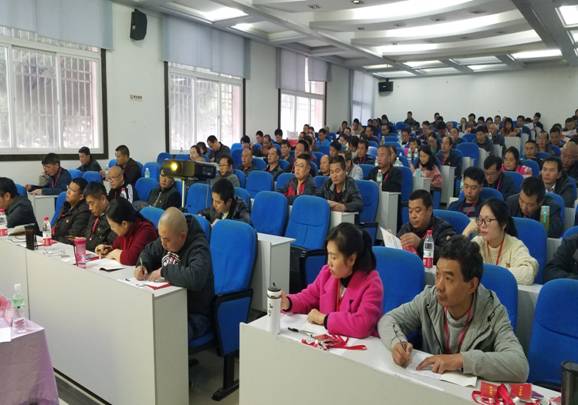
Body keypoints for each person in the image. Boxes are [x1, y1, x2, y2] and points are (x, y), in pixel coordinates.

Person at [378, 235, 529, 383]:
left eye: (448, 278)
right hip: (430, 385)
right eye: (438, 275)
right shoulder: (429, 299)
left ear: (472, 285)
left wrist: (461, 360)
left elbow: (519, 366)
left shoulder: (493, 312)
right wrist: (397, 343)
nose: (439, 286)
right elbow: (388, 319)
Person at [281, 223, 383, 338]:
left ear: (351, 259)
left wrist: (324, 319)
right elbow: (308, 297)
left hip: (360, 345)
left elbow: (362, 325)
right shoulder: (327, 273)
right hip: (328, 340)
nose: (329, 263)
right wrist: (288, 302)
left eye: (334, 257)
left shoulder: (371, 283)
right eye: (328, 255)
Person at [136, 208, 214, 339]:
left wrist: (163, 271)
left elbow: (196, 278)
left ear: (182, 236)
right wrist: (142, 265)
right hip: (168, 306)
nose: (162, 244)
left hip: (194, 313)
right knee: (142, 322)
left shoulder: (199, 247)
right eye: (161, 238)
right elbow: (148, 252)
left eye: (166, 240)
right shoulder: (167, 237)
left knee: (164, 334)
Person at [463, 199, 538, 285]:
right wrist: (466, 232)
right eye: (480, 219)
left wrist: (490, 274)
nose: (482, 225)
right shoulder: (478, 242)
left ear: (503, 224)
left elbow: (528, 274)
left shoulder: (515, 245)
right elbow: (459, 266)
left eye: (488, 220)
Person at [94, 198, 157, 266]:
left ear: (124, 224)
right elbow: (116, 247)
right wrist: (107, 249)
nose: (112, 229)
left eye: (112, 226)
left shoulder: (146, 231)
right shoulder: (125, 231)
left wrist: (114, 253)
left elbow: (131, 258)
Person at [398, 190, 455, 263]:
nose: (413, 216)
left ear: (429, 210)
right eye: (410, 211)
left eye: (417, 211)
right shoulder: (406, 228)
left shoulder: (443, 228)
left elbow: (448, 255)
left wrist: (420, 244)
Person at [52, 178, 91, 244]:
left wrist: (53, 238)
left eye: (73, 190)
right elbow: (55, 226)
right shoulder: (66, 205)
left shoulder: (84, 212)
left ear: (81, 197)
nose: (68, 192)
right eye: (68, 188)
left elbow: (72, 238)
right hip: (57, 242)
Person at [83, 182, 117, 252]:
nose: (90, 208)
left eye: (92, 203)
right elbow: (87, 236)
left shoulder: (114, 215)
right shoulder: (95, 214)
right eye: (88, 204)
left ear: (103, 199)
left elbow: (109, 244)